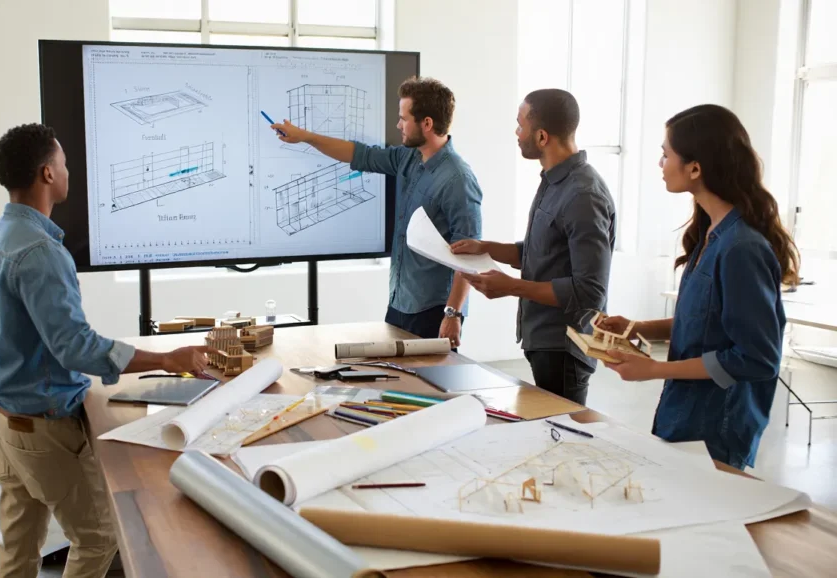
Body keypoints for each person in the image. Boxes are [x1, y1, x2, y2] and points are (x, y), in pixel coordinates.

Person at [0, 123, 213, 578]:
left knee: (19, 544)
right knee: (99, 536)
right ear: (47, 173)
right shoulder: (40, 251)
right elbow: (75, 347)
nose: (69, 172)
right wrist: (166, 359)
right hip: (42, 428)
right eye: (63, 164)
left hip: (2, 416)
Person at [597, 104, 798, 470]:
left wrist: (653, 369)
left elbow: (756, 358)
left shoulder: (741, 248)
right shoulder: (710, 234)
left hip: (716, 428)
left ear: (695, 168)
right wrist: (637, 328)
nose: (660, 164)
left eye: (665, 154)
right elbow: (708, 323)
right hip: (686, 414)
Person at [271, 76, 482, 346]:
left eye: (403, 118)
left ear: (427, 124)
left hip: (435, 309)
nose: (398, 125)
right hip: (400, 301)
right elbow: (359, 154)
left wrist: (452, 314)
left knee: (429, 374)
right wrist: (306, 137)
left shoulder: (458, 179)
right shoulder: (408, 158)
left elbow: (469, 254)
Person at [450, 89, 615, 405]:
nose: (516, 132)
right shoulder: (554, 181)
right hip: (543, 340)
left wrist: (512, 287)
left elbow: (589, 291)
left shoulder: (583, 195)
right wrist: (486, 248)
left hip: (565, 347)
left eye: (520, 124)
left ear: (541, 137)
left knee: (561, 430)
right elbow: (543, 251)